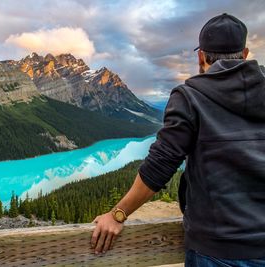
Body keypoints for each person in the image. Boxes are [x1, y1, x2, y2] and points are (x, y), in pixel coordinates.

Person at [91, 13, 265, 266]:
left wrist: (118, 215)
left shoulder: (190, 96)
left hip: (216, 248)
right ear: (246, 53)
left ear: (201, 56)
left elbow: (161, 163)